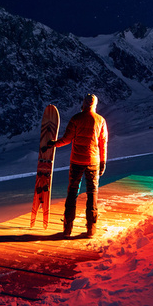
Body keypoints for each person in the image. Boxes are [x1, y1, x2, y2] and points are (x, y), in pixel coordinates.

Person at [48, 94, 108, 238]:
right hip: (93, 161)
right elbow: (103, 143)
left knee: (72, 193)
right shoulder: (100, 120)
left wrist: (54, 144)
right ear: (95, 104)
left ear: (84, 103)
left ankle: (67, 229)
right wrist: (103, 162)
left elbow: (67, 139)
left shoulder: (76, 118)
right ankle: (91, 229)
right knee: (92, 194)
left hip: (76, 161)